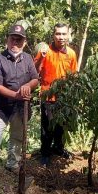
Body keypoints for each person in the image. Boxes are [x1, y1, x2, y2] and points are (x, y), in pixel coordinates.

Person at [0, 23, 39, 190]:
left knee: (17, 137)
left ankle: (12, 163)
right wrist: (15, 95)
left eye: (19, 39)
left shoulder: (28, 58)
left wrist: (28, 85)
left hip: (21, 108)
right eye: (12, 38)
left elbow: (35, 78)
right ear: (7, 39)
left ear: (24, 41)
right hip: (1, 107)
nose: (15, 42)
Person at [34, 23, 78, 166]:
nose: (61, 37)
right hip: (48, 95)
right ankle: (45, 153)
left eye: (64, 34)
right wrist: (41, 57)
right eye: (58, 34)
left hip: (64, 97)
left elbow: (74, 75)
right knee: (47, 126)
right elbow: (35, 70)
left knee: (61, 126)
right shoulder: (45, 51)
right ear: (53, 35)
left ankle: (58, 148)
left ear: (68, 35)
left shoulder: (71, 53)